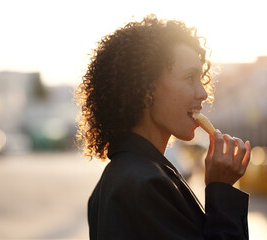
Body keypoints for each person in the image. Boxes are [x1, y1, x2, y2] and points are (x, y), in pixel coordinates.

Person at [75, 14, 251, 239]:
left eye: (201, 78)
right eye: (189, 77)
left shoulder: (120, 178)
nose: (203, 92)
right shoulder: (146, 185)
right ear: (147, 88)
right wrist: (221, 190)